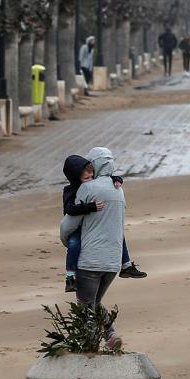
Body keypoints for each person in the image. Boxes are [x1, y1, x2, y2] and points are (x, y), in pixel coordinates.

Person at [60, 147, 128, 346]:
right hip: (113, 262)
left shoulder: (87, 189)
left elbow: (70, 224)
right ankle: (110, 336)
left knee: (85, 305)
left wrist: (68, 242)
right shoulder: (118, 188)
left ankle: (91, 343)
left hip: (90, 260)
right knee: (94, 303)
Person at [60, 155, 146, 293]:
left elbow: (108, 178)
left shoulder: (91, 185)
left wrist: (116, 179)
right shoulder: (70, 190)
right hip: (78, 226)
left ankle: (126, 266)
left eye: (92, 176)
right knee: (74, 244)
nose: (90, 181)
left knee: (119, 235)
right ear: (75, 177)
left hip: (91, 227)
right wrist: (90, 207)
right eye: (86, 178)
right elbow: (69, 210)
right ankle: (70, 276)